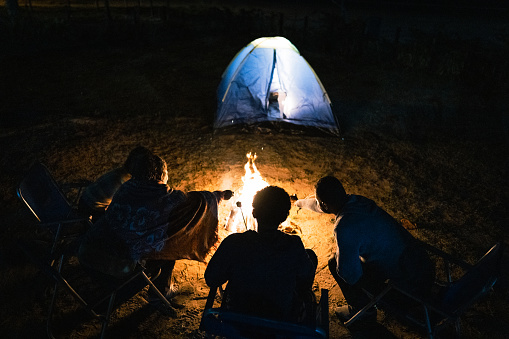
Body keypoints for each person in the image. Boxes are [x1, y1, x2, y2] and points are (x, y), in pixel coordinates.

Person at [78, 152, 232, 316]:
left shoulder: (126, 188)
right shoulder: (164, 197)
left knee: (153, 239)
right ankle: (158, 295)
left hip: (86, 255)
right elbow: (196, 200)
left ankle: (156, 292)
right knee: (171, 243)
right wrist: (219, 195)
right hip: (116, 269)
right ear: (161, 174)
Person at [295, 175, 435, 323]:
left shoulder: (345, 226)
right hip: (424, 269)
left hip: (409, 287)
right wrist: (299, 203)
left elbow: (349, 274)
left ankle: (362, 310)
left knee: (334, 263)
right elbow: (320, 205)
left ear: (324, 204)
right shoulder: (359, 202)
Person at [205, 186, 317, 323]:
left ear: (254, 212)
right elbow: (306, 278)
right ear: (284, 217)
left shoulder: (234, 243)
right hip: (279, 321)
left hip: (238, 319)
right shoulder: (294, 245)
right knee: (309, 256)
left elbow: (211, 278)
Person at [78, 145, 152, 222]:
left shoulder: (121, 171)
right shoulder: (124, 180)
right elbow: (125, 203)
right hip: (91, 208)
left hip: (84, 199)